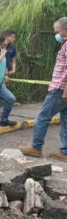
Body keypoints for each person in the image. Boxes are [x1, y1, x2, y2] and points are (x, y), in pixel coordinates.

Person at [20, 17, 67, 161]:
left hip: (60, 88)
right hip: (62, 88)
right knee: (66, 120)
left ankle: (36, 147)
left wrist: (65, 90)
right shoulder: (64, 44)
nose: (56, 35)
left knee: (42, 117)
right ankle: (65, 152)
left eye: (57, 32)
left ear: (65, 30)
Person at [0, 30, 18, 117]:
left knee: (2, 90)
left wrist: (13, 69)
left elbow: (14, 60)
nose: (14, 39)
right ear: (7, 36)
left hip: (7, 72)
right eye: (13, 37)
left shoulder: (12, 48)